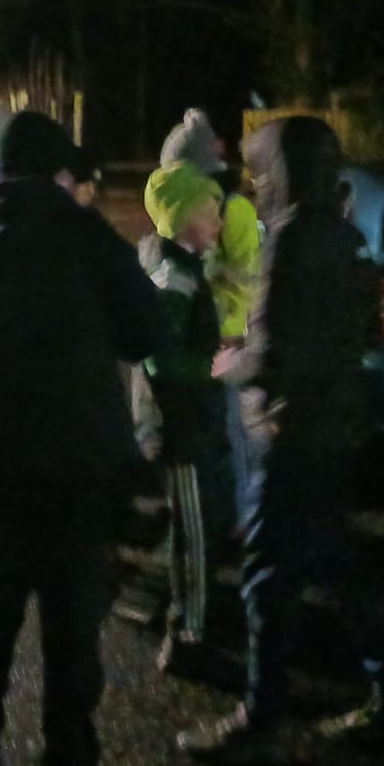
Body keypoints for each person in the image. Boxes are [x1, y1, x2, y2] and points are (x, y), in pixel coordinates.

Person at [0, 111, 167, 766]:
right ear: (57, 169)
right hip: (81, 469)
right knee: (71, 633)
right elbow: (146, 330)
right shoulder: (91, 240)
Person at [178, 116, 384, 761]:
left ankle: (260, 720)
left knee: (266, 577)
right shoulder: (347, 236)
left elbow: (267, 353)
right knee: (337, 561)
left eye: (261, 172)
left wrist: (229, 364)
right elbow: (365, 330)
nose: (256, 184)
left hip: (288, 429)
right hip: (339, 426)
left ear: (283, 171)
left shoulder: (289, 239)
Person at [129, 160, 227, 677]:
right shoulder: (174, 275)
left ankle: (188, 619)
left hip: (185, 421)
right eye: (209, 210)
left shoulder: (178, 264)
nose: (219, 219)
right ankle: (187, 637)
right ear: (182, 217)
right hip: (180, 427)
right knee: (193, 534)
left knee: (197, 525)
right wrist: (217, 365)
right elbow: (160, 358)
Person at [160, 107, 260, 532]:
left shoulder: (231, 211)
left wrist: (231, 334)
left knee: (232, 438)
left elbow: (243, 279)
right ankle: (225, 518)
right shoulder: (198, 211)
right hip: (211, 343)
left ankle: (237, 521)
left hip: (227, 344)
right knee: (218, 438)